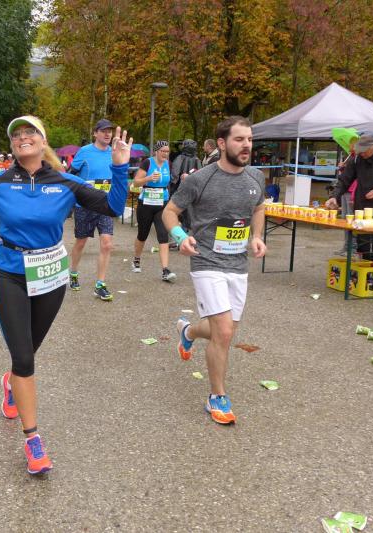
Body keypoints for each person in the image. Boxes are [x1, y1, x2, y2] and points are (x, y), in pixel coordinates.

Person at [0, 116, 130, 474]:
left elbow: (114, 207)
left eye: (30, 133)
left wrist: (120, 168)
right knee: (24, 357)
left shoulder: (66, 182)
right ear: (12, 146)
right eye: (17, 135)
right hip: (9, 273)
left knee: (29, 349)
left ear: (43, 142)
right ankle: (33, 439)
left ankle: (11, 382)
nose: (23, 138)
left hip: (50, 275)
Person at [163, 116, 266, 425]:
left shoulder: (256, 177)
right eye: (239, 139)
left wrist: (257, 236)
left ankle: (188, 332)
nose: (246, 145)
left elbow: (259, 207)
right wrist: (180, 237)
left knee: (226, 331)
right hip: (206, 261)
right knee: (223, 331)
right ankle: (217, 396)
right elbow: (170, 211)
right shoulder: (200, 179)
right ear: (221, 143)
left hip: (238, 264)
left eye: (249, 139)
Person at [326, 134, 373, 283]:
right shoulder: (356, 159)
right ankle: (365, 278)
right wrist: (334, 196)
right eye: (359, 150)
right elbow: (344, 180)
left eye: (364, 150)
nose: (361, 153)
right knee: (363, 243)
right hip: (361, 206)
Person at [69, 118, 120, 301]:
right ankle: (73, 273)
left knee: (107, 243)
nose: (107, 134)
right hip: (85, 204)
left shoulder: (114, 153)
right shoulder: (84, 152)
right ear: (95, 133)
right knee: (81, 242)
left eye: (109, 131)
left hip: (105, 205)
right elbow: (71, 175)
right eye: (103, 131)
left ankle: (100, 284)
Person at [131, 141, 177, 282]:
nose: (165, 154)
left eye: (167, 151)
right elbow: (136, 182)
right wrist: (149, 178)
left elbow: (171, 181)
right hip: (146, 203)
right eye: (163, 151)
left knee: (163, 236)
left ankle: (165, 270)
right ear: (156, 151)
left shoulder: (168, 164)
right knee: (142, 234)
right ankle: (136, 259)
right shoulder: (147, 163)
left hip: (162, 203)